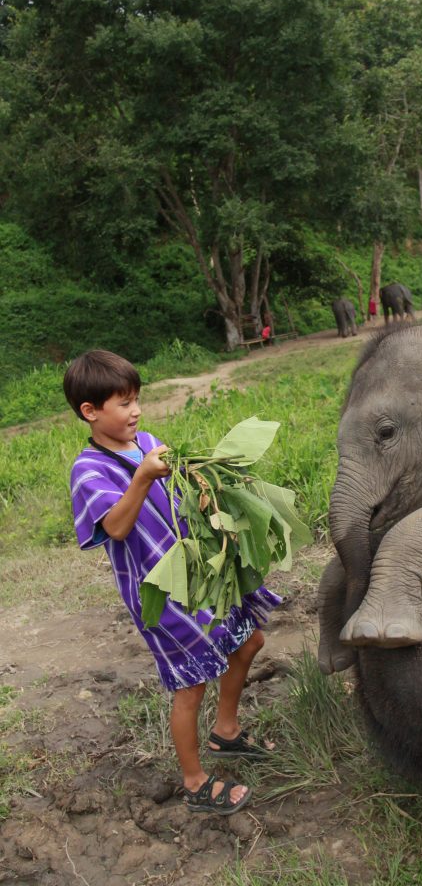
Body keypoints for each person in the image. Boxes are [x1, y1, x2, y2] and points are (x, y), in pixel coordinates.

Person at [63, 349, 281, 816]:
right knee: (191, 684)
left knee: (249, 642)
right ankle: (195, 780)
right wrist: (142, 477)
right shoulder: (89, 470)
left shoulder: (147, 441)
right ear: (91, 411)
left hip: (199, 573)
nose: (135, 411)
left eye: (136, 400)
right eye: (123, 403)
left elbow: (176, 494)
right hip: (161, 593)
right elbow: (117, 527)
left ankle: (225, 733)